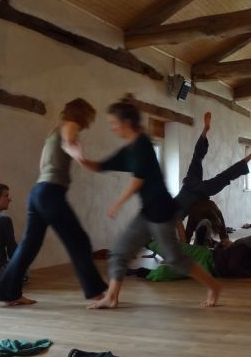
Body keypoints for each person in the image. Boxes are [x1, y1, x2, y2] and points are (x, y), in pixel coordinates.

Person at [86, 101, 222, 308]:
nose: (112, 127)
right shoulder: (129, 150)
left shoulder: (143, 144)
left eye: (114, 123)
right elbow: (101, 165)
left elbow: (138, 179)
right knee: (120, 252)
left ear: (126, 122)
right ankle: (111, 297)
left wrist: (118, 203)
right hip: (147, 212)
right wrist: (76, 155)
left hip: (161, 212)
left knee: (175, 258)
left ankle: (213, 286)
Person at [0, 99, 108, 307]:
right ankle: (96, 292)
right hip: (50, 193)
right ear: (82, 114)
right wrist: (79, 156)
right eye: (90, 115)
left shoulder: (53, 132)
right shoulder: (70, 126)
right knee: (78, 241)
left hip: (38, 192)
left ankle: (9, 293)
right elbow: (69, 143)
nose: (90, 120)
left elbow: (42, 165)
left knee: (30, 245)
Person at [174, 112, 251, 235]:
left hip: (199, 192)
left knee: (224, 177)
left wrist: (183, 245)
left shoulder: (172, 217)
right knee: (196, 158)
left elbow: (180, 228)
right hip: (188, 184)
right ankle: (204, 132)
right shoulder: (168, 205)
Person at [131, 219, 251, 280]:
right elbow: (232, 267)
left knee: (166, 273)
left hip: (206, 269)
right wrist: (249, 275)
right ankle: (146, 241)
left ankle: (137, 273)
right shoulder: (245, 249)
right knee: (175, 248)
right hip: (206, 254)